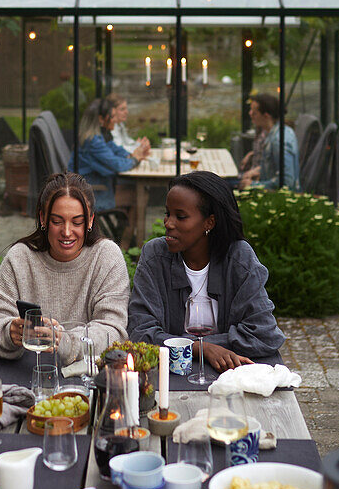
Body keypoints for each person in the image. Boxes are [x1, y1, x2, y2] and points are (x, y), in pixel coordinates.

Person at [127, 171, 285, 371]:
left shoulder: (239, 258)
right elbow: (140, 333)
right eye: (167, 213)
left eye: (181, 216)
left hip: (232, 373)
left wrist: (190, 344)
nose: (168, 223)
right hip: (173, 375)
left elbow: (265, 334)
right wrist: (200, 348)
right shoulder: (155, 257)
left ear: (209, 222)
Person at [0, 171, 130, 365]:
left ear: (90, 220)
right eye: (57, 221)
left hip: (86, 379)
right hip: (25, 375)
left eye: (77, 222)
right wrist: (9, 332)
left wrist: (65, 342)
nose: (66, 232)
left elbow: (114, 331)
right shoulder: (20, 258)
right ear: (42, 218)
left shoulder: (107, 256)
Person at [76, 97, 150, 210]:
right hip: (91, 193)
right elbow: (117, 165)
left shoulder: (101, 136)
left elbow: (117, 150)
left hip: (100, 186)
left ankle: (124, 227)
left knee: (139, 191)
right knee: (139, 195)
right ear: (101, 119)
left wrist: (132, 155)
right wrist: (135, 158)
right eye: (112, 116)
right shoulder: (93, 141)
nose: (115, 120)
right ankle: (126, 228)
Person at [240, 93, 297, 190]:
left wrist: (253, 185)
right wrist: (258, 170)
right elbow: (273, 168)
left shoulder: (279, 140)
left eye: (254, 113)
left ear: (266, 116)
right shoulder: (274, 133)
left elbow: (287, 181)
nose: (250, 114)